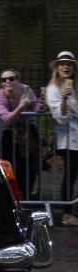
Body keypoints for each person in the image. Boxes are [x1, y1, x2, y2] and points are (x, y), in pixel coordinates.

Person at [0, 68, 44, 200]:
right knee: (12, 167)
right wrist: (20, 107)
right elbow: (7, 119)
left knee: (29, 168)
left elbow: (36, 107)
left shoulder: (25, 90)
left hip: (25, 133)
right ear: (1, 83)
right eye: (4, 80)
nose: (8, 81)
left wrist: (42, 105)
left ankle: (27, 198)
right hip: (6, 135)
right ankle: (12, 197)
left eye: (11, 78)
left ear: (18, 80)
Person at [46, 51, 78, 225]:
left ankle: (72, 207)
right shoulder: (53, 89)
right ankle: (67, 214)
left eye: (69, 64)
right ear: (57, 68)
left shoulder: (75, 87)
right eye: (62, 64)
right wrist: (65, 99)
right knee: (70, 174)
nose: (66, 66)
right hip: (68, 139)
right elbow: (60, 117)